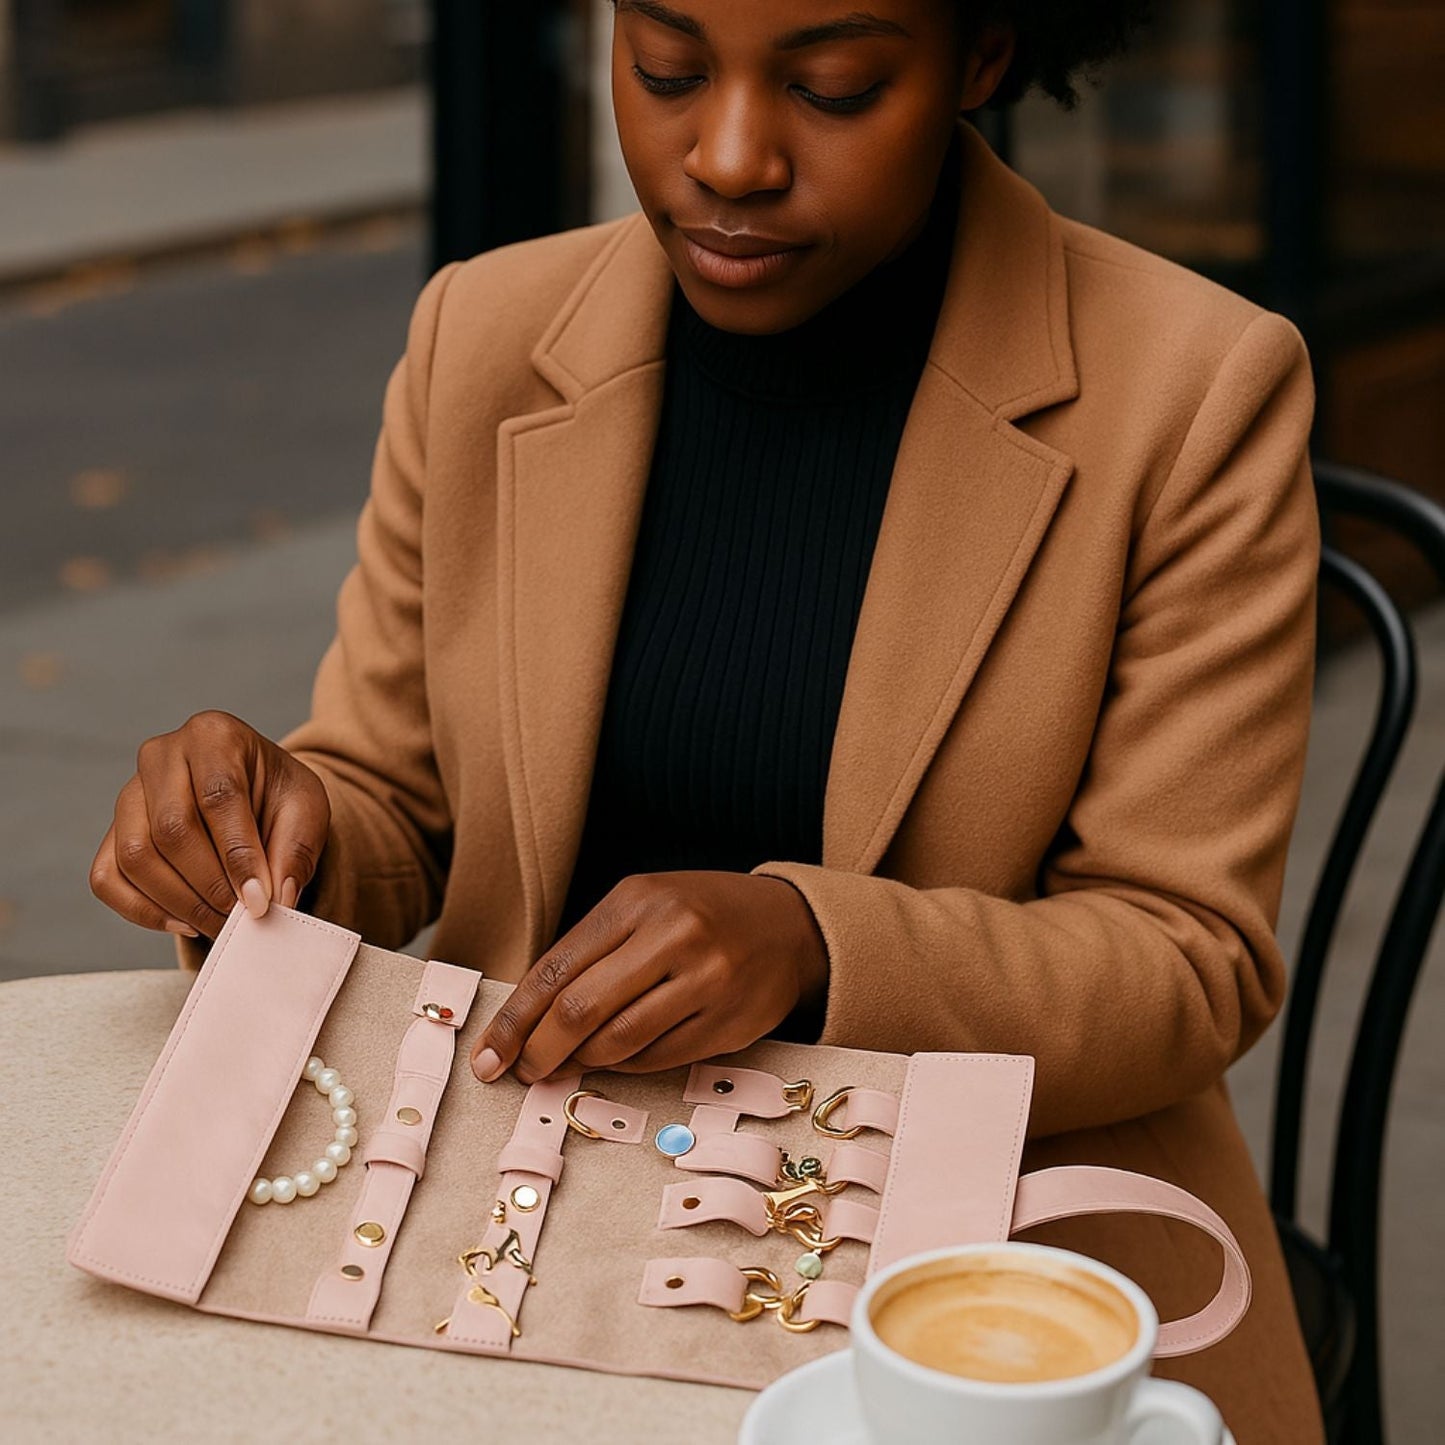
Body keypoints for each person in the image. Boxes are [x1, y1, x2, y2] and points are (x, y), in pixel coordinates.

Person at [90, 2, 1323, 1437]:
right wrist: (272, 816)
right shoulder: (482, 332)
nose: (725, 156)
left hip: (983, 1284)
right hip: (521, 1237)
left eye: (833, 86)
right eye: (665, 69)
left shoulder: (1191, 389)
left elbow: (1188, 959)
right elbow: (395, 802)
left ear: (982, 54)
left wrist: (808, 942)